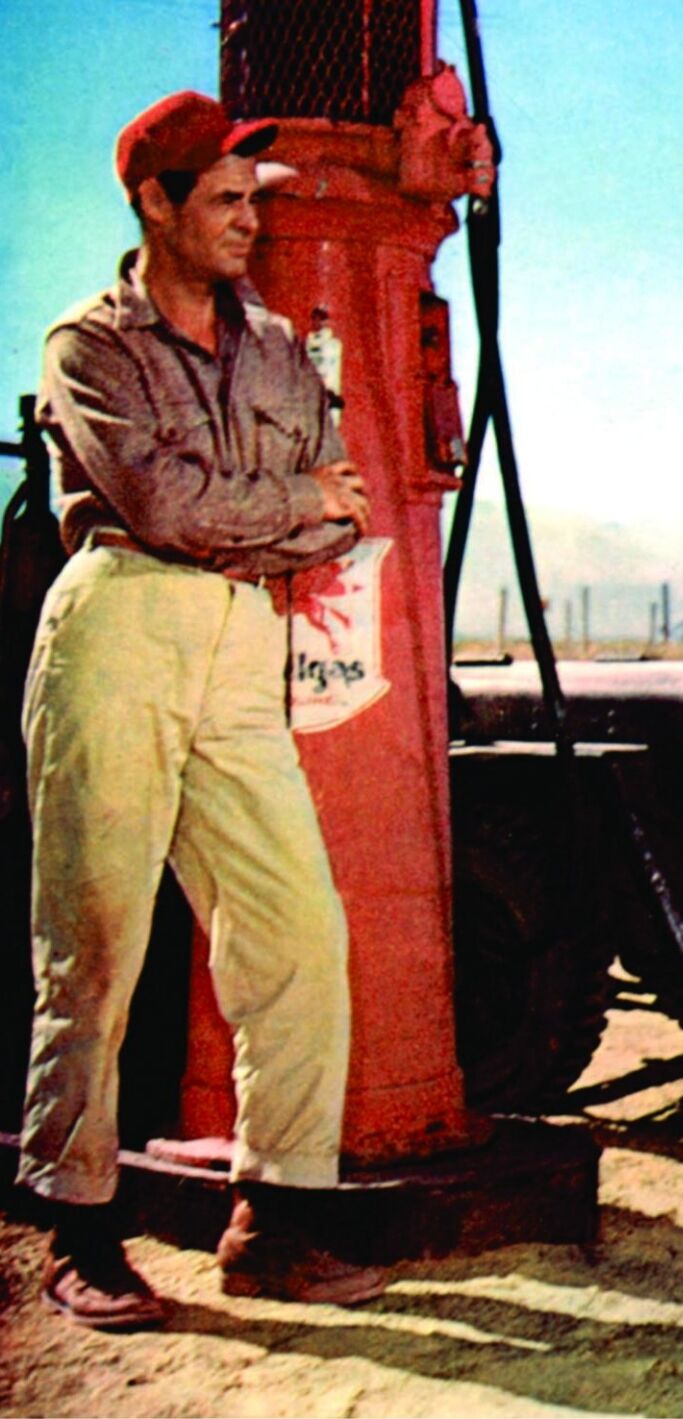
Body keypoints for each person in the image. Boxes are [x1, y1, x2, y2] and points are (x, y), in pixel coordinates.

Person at [19, 91, 385, 1331]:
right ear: (155, 203)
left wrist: (277, 509)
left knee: (297, 928)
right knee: (95, 937)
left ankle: (275, 1221)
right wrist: (287, 501)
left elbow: (345, 511)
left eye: (252, 199)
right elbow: (165, 509)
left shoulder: (277, 346)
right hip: (120, 618)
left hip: (243, 636)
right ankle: (79, 1231)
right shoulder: (89, 346)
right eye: (224, 199)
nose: (248, 221)